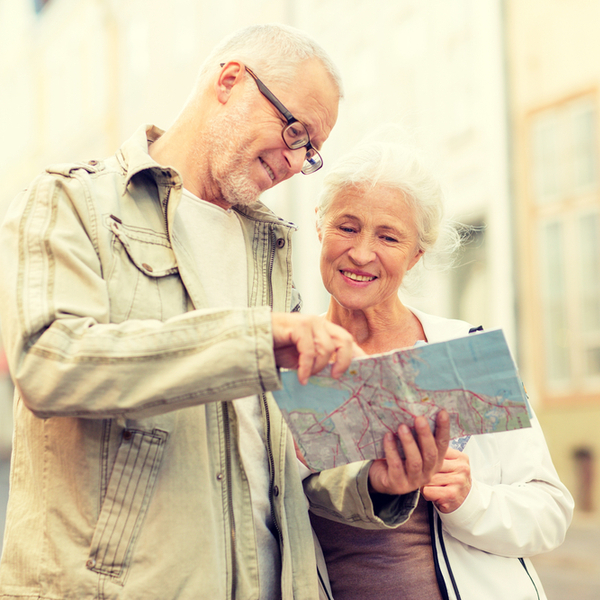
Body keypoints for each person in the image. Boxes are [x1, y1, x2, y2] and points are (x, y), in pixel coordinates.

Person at [0, 25, 450, 600]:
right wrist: (253, 342)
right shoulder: (71, 203)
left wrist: (377, 484)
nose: (293, 161)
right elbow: (50, 363)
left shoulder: (271, 248)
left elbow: (295, 457)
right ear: (231, 81)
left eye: (309, 151)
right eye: (294, 131)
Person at [305, 138, 574, 600]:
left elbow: (550, 513)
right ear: (319, 228)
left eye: (389, 237)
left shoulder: (461, 355)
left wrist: (469, 499)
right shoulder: (291, 365)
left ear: (416, 256)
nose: (362, 253)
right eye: (346, 228)